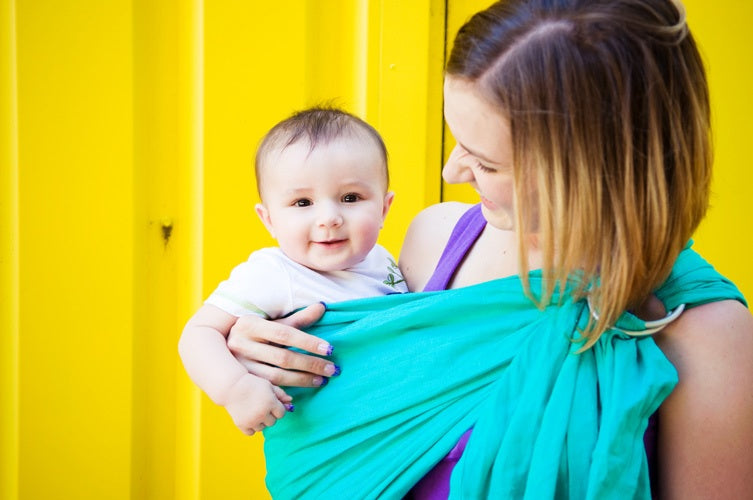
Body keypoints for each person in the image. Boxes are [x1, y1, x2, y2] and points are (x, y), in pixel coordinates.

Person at [226, 0, 753, 498]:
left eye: (487, 162)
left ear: (596, 171)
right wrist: (255, 343)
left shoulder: (705, 337)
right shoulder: (436, 239)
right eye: (456, 139)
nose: (450, 172)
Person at [178, 107, 407, 436]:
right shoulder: (273, 273)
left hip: (391, 423)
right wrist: (236, 389)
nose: (329, 217)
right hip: (322, 434)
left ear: (384, 208)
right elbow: (198, 334)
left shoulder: (382, 260)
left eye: (351, 197)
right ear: (268, 219)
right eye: (303, 203)